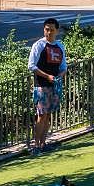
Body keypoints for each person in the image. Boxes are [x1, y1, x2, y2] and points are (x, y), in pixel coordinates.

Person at [27, 17, 67, 154]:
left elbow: (64, 67)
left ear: (57, 30)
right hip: (41, 85)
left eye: (51, 30)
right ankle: (36, 146)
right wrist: (47, 76)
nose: (49, 32)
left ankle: (43, 144)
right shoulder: (38, 45)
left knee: (48, 114)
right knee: (41, 115)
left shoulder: (60, 46)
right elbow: (31, 66)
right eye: (46, 29)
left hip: (54, 86)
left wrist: (58, 77)